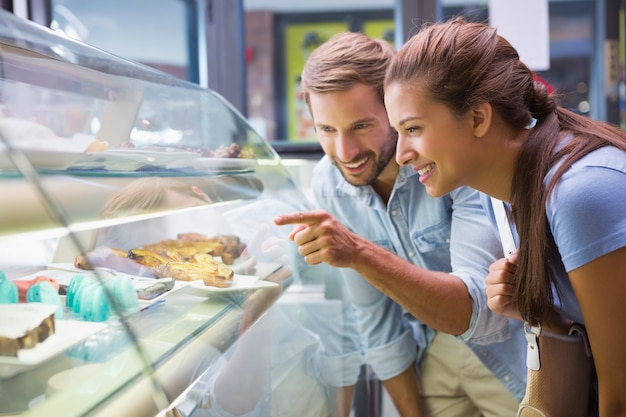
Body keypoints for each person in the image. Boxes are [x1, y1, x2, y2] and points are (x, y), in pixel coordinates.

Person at [274, 31, 526, 417]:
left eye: (360, 126)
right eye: (326, 130)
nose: (345, 152)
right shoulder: (330, 181)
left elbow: (478, 310)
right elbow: (377, 323)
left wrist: (358, 253)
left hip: (510, 346)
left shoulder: (454, 161)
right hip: (433, 348)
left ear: (394, 110)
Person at [384, 17, 626, 417]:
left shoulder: (578, 191)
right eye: (397, 132)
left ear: (478, 118)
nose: (401, 155)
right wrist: (535, 307)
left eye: (413, 129)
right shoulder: (502, 195)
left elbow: (619, 395)